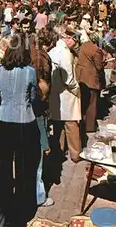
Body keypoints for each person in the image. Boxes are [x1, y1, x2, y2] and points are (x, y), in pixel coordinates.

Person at [0, 34, 40, 225]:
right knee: (24, 166)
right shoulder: (30, 72)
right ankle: (23, 209)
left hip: (4, 121)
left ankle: (5, 204)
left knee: (5, 165)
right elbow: (32, 97)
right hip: (25, 121)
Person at [49, 25, 82, 163]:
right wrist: (77, 89)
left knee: (58, 125)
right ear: (69, 39)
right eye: (75, 40)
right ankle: (75, 154)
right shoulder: (66, 54)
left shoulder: (53, 51)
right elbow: (69, 79)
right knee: (71, 125)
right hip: (67, 94)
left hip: (55, 93)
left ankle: (59, 151)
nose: (76, 44)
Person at [30, 28, 55, 208]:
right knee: (37, 155)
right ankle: (39, 195)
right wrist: (43, 93)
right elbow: (40, 79)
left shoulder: (38, 54)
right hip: (38, 105)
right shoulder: (39, 57)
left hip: (38, 104)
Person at [76, 32, 105, 134]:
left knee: (83, 103)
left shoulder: (83, 46)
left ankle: (82, 124)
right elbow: (99, 67)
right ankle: (90, 127)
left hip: (81, 78)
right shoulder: (96, 50)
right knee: (92, 105)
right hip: (91, 79)